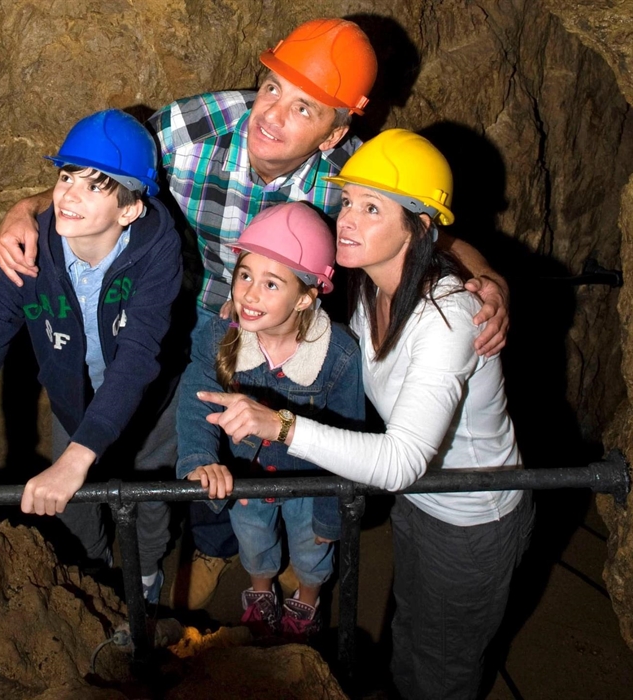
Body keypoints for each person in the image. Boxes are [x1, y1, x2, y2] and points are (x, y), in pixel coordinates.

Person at [0, 18, 511, 609]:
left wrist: (483, 274)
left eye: (304, 108)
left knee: (278, 443)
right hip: (185, 321)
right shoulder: (190, 131)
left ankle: (306, 558)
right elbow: (102, 177)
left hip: (290, 329)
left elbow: (417, 230)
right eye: (271, 89)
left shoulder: (351, 177)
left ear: (335, 135)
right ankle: (214, 550)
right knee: (199, 444)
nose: (272, 115)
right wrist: (26, 208)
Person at [198, 129, 533, 699]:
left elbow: (401, 460)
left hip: (474, 514)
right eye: (348, 201)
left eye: (371, 208)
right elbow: (296, 293)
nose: (347, 219)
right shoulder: (363, 287)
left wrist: (278, 425)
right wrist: (248, 303)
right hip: (422, 503)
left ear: (419, 227)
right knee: (409, 627)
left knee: (445, 663)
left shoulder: (447, 317)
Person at [0, 109, 183, 605]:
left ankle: (146, 575)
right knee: (70, 505)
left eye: (96, 185)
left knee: (148, 493)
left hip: (150, 402)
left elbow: (137, 358)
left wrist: (77, 459)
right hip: (74, 398)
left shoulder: (157, 250)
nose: (69, 194)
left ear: (129, 209)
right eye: (66, 176)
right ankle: (92, 576)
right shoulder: (25, 251)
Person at [176, 202, 365, 639]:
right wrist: (200, 457)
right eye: (245, 275)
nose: (249, 294)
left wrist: (330, 517)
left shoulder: (339, 355)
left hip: (311, 484)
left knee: (311, 548)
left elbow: (352, 437)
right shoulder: (218, 335)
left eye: (271, 283)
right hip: (246, 478)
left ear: (305, 297)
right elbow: (195, 396)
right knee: (254, 541)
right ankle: (261, 590)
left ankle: (308, 596)